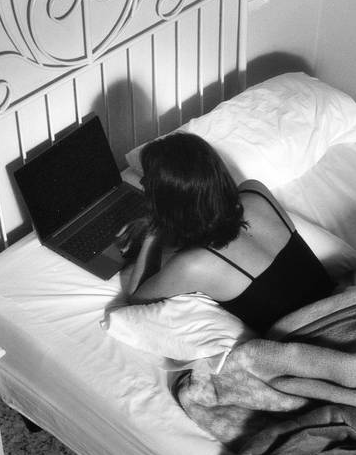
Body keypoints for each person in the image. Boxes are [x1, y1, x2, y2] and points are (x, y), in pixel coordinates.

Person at [119, 132, 333, 335]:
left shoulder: (194, 265)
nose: (142, 184)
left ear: (168, 201)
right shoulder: (256, 192)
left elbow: (135, 299)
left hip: (317, 337)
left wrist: (154, 228)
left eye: (146, 182)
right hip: (337, 307)